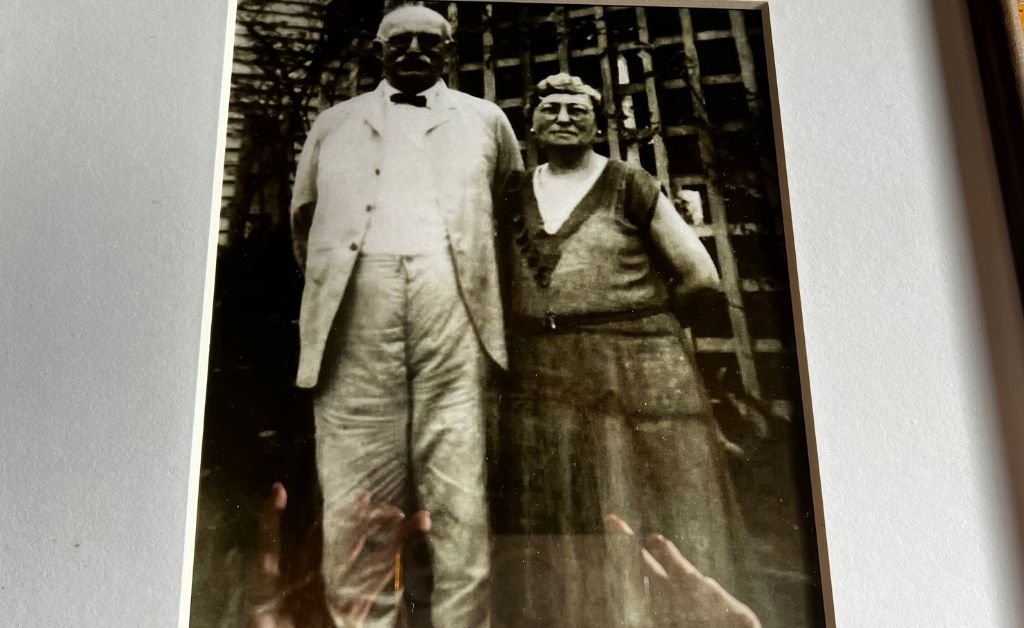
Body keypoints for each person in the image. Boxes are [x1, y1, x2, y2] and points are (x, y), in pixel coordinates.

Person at [288, 6, 523, 627]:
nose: (415, 50)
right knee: (358, 500)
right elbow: (304, 221)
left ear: (450, 50)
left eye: (430, 41)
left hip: (455, 308)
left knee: (460, 499)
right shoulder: (334, 124)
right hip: (356, 314)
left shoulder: (486, 122)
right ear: (378, 49)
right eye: (401, 41)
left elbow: (508, 213)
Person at [489, 74, 752, 626]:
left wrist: (636, 329)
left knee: (635, 499)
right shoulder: (510, 191)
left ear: (597, 122)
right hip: (540, 373)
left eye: (578, 110)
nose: (564, 118)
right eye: (552, 109)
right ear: (531, 123)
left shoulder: (628, 183)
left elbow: (699, 277)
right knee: (556, 507)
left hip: (632, 367)